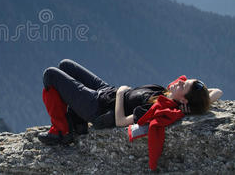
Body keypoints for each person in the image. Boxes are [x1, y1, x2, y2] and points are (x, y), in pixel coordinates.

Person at [38, 59, 223, 145]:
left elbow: (120, 121)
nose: (180, 81)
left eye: (184, 85)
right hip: (107, 90)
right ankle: (76, 123)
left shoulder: (156, 107)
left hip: (98, 106)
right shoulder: (168, 95)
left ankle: (62, 131)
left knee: (50, 75)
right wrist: (194, 103)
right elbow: (216, 93)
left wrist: (120, 95)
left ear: (183, 98)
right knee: (65, 65)